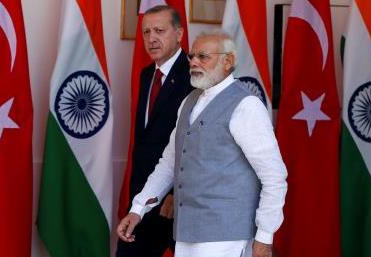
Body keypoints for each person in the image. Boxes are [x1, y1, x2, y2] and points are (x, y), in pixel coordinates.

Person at [117, 30, 288, 257]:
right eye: (191, 56)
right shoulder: (189, 101)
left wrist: (265, 237)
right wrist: (138, 209)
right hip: (186, 233)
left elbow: (274, 176)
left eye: (203, 57)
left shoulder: (246, 105)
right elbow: (170, 162)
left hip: (228, 237)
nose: (194, 62)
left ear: (228, 61)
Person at [116, 5, 193, 257]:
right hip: (143, 194)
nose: (151, 38)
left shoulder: (195, 75)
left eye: (160, 30)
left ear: (179, 34)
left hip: (177, 199)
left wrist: (174, 191)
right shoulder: (147, 74)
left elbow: (197, 141)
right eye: (146, 31)